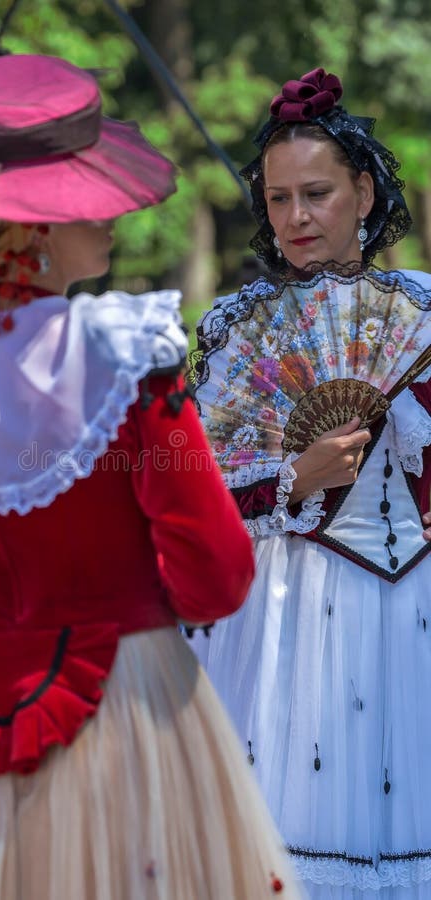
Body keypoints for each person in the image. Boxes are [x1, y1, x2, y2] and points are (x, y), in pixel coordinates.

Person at [0, 40, 301, 900]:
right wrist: (114, 598)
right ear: (36, 226)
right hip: (125, 709)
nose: (112, 212)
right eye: (87, 198)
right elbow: (218, 576)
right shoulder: (120, 356)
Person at [193, 67, 431, 898]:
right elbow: (198, 496)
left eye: (317, 193)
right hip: (293, 616)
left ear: (363, 193)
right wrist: (296, 473)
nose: (295, 217)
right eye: (278, 196)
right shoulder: (233, 332)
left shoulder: (424, 313)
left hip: (416, 609)